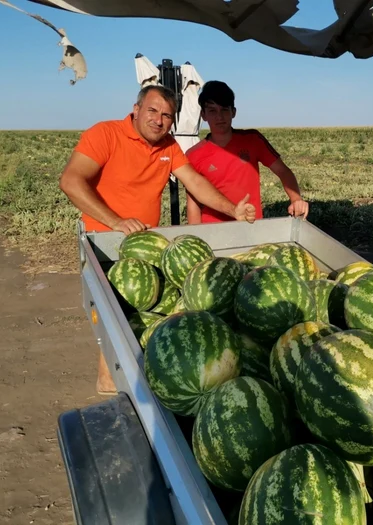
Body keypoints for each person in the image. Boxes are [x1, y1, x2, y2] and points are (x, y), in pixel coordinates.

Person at [59, 84, 256, 394]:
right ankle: (113, 391)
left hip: (146, 244)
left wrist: (233, 208)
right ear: (136, 109)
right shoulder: (105, 134)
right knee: (116, 319)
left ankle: (141, 384)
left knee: (142, 317)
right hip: (105, 245)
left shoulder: (168, 147)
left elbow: (195, 182)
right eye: (152, 110)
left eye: (167, 115)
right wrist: (116, 221)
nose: (159, 120)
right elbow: (71, 180)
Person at [185, 80, 309, 224]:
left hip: (251, 224)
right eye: (212, 111)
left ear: (233, 112)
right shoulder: (193, 154)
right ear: (203, 115)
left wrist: (296, 199)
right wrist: (196, 234)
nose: (219, 117)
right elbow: (193, 200)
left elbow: (283, 171)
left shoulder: (253, 140)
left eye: (224, 109)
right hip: (213, 229)